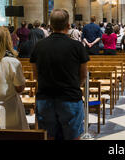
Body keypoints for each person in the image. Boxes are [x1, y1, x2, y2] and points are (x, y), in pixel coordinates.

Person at [31, 9, 90, 140]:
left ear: (50, 25)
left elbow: (35, 75)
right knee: (73, 136)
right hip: (70, 97)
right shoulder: (77, 46)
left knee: (49, 137)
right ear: (68, 25)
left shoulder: (39, 46)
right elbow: (83, 75)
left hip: (45, 97)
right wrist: (73, 85)